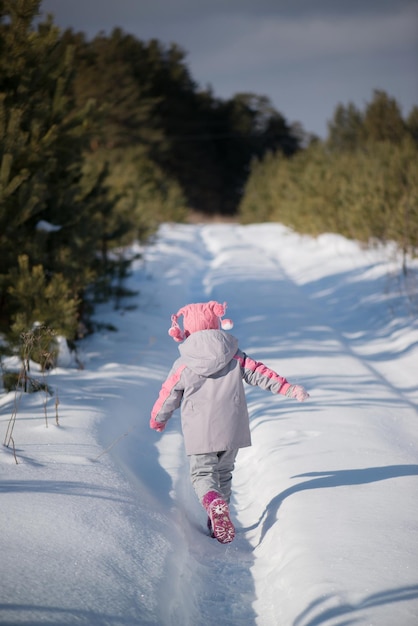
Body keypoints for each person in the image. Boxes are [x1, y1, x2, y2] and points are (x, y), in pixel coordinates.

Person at [150, 301, 309, 544]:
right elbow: (261, 374)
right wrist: (289, 389)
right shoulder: (234, 354)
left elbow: (168, 393)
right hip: (232, 426)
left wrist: (158, 419)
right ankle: (216, 523)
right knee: (223, 474)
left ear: (187, 329)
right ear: (215, 325)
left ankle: (214, 506)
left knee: (203, 475)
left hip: (200, 431)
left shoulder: (184, 363)